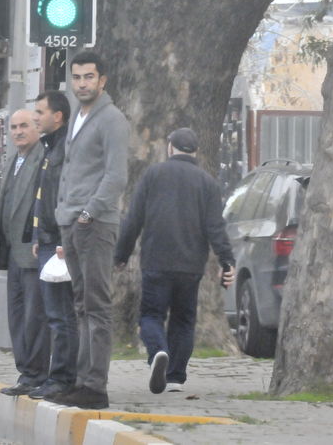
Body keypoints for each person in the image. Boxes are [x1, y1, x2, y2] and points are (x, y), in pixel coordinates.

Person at [114, 127, 236, 394]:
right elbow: (216, 227)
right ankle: (175, 377)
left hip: (156, 260)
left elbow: (133, 219)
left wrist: (120, 255)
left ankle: (158, 352)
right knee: (184, 319)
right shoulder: (207, 183)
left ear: (170, 147)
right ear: (196, 151)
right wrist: (227, 261)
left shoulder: (153, 175)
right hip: (191, 265)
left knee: (151, 315)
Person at [50, 51, 129, 409]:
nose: (82, 83)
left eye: (89, 77)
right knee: (80, 305)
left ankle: (95, 387)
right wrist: (63, 212)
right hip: (72, 221)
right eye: (77, 77)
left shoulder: (111, 119)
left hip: (95, 223)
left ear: (103, 80)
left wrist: (87, 213)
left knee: (97, 306)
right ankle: (82, 382)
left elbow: (116, 175)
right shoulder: (78, 118)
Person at [0, 109, 48, 396]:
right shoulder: (15, 159)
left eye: (24, 125)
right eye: (13, 127)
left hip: (32, 250)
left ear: (37, 127)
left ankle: (35, 373)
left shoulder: (43, 158)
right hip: (12, 251)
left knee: (34, 315)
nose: (18, 131)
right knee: (16, 314)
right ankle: (25, 371)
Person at [26, 91, 78, 400]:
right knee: (53, 314)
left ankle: (62, 379)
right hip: (46, 241)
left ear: (57, 116)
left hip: (59, 243)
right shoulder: (49, 148)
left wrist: (60, 239)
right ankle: (51, 376)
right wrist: (37, 235)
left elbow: (66, 195)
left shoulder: (65, 148)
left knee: (61, 315)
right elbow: (43, 198)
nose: (35, 117)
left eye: (40, 112)